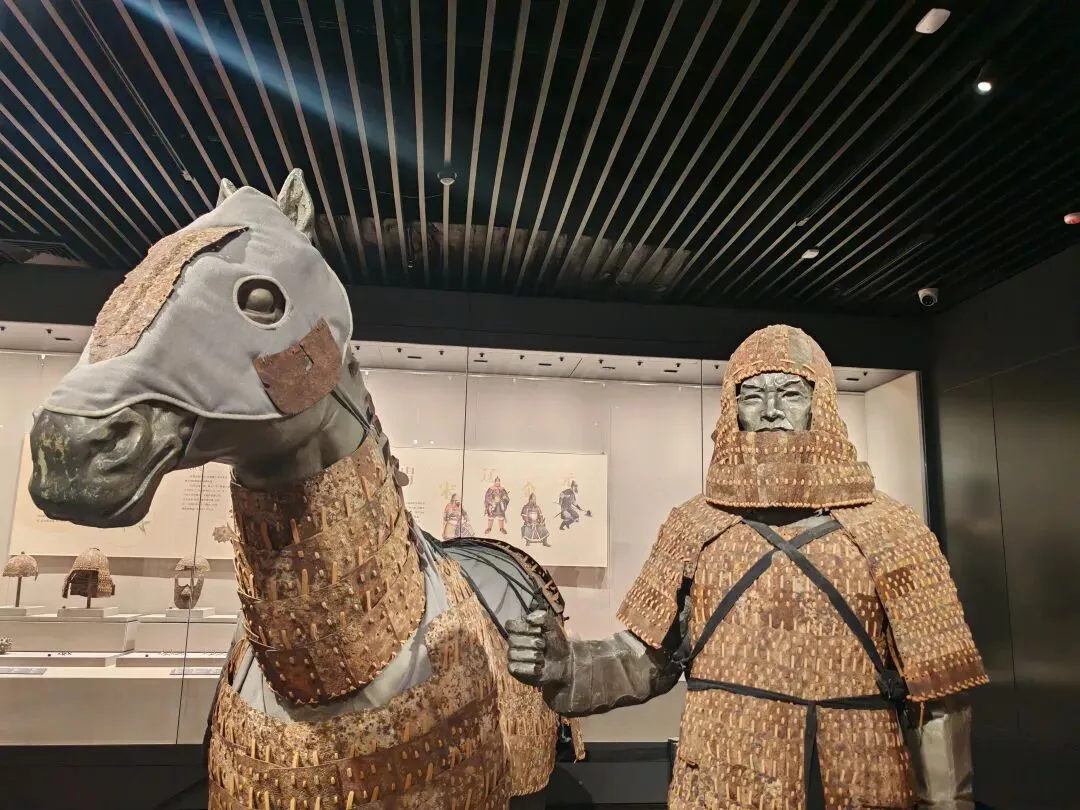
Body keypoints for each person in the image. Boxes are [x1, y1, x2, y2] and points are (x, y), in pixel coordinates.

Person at [507, 325, 986, 810]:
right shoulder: (694, 526)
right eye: (752, 395)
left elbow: (940, 695)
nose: (771, 410)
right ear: (731, 408)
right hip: (721, 779)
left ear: (820, 404)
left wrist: (946, 803)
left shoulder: (890, 529)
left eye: (791, 393)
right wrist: (570, 666)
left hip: (858, 779)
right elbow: (648, 659)